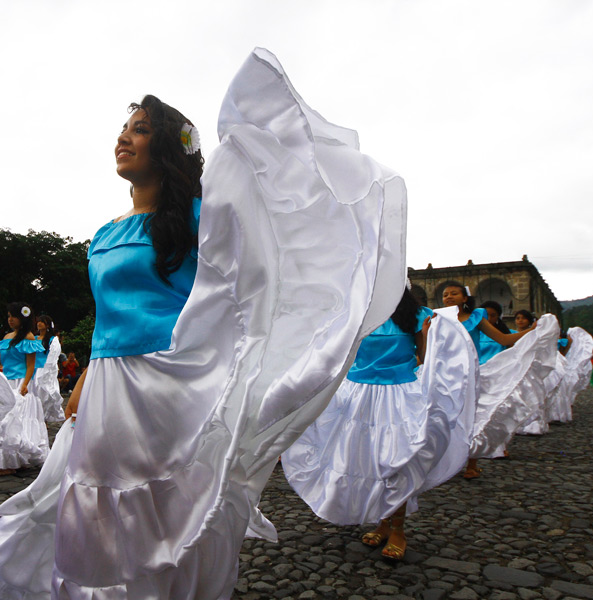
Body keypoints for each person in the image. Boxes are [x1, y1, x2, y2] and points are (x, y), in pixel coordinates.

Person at [0, 48, 406, 599]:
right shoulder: (102, 233)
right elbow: (104, 317)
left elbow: (246, 290)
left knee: (165, 515)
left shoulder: (199, 219)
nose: (124, 138)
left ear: (165, 149)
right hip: (110, 390)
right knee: (96, 507)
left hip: (171, 385)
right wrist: (90, 375)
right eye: (123, 128)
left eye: (139, 130)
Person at [282, 287, 478, 561]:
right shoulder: (356, 314)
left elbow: (425, 356)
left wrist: (425, 335)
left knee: (395, 462)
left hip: (398, 396)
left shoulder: (418, 315)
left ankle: (398, 529)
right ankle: (382, 522)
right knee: (365, 462)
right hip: (358, 397)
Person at [439, 284, 552, 478]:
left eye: (454, 293)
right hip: (443, 374)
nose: (449, 297)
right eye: (445, 294)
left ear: (465, 298)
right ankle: (443, 463)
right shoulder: (438, 319)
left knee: (469, 417)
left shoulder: (475, 319)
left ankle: (471, 465)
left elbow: (504, 340)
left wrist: (532, 332)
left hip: (467, 374)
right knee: (443, 416)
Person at [0, 302, 49, 475]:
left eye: (13, 316)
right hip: (6, 381)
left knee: (19, 419)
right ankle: (12, 460)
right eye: (8, 316)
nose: (10, 319)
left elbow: (31, 365)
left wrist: (25, 384)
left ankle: (15, 460)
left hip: (21, 382)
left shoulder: (28, 337)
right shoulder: (6, 337)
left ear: (22, 318)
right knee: (6, 420)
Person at [32, 315, 65, 421]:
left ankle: (43, 419)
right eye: (38, 321)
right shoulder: (33, 338)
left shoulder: (53, 340)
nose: (39, 323)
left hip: (44, 370)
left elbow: (53, 357)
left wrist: (46, 372)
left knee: (44, 395)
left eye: (42, 322)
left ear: (47, 325)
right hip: (32, 369)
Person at [478, 300, 511, 364]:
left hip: (499, 369)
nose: (489, 319)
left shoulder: (508, 334)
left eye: (493, 315)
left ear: (498, 317)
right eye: (486, 315)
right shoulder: (474, 333)